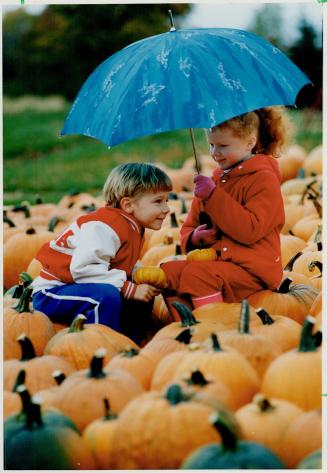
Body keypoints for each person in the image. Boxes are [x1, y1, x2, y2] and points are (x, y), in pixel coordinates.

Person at [161, 107, 289, 319]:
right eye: (211, 145)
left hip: (253, 271)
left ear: (250, 142)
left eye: (223, 146)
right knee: (168, 273)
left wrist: (213, 196)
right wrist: (195, 238)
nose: (214, 153)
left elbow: (250, 230)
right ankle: (188, 329)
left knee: (198, 275)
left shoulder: (263, 179)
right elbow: (188, 230)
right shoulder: (211, 182)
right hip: (219, 265)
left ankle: (214, 328)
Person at [32, 162, 172, 343]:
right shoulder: (104, 226)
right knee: (105, 297)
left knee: (138, 289)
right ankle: (101, 346)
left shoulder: (132, 226)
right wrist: (129, 289)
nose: (167, 208)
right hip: (53, 293)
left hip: (83, 286)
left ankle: (131, 344)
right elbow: (84, 269)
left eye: (167, 200)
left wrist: (144, 277)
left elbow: (120, 263)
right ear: (128, 205)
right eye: (158, 201)